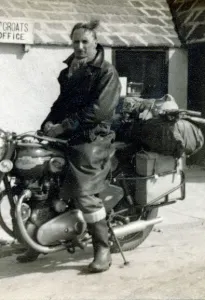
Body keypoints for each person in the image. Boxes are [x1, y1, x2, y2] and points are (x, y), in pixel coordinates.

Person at [16, 20, 121, 273]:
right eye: (76, 41)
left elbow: (99, 111)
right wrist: (49, 122)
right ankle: (36, 239)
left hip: (93, 138)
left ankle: (102, 249)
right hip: (70, 134)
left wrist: (64, 126)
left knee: (84, 193)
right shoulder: (70, 70)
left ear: (96, 43)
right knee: (38, 178)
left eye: (85, 41)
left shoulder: (106, 72)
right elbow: (61, 103)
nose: (80, 46)